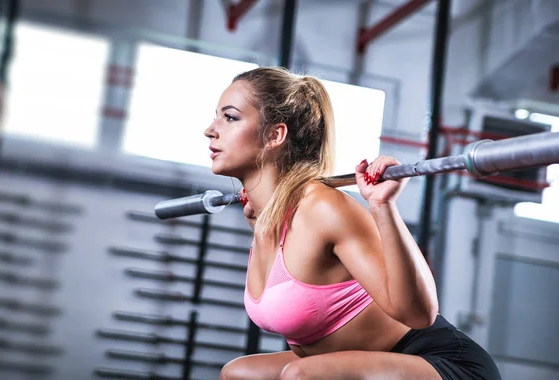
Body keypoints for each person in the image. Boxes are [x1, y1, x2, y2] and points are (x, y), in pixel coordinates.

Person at [204, 67, 501, 380]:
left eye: (230, 117)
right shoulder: (268, 219)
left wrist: (382, 207)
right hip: (358, 364)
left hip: (440, 364)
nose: (210, 130)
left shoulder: (322, 208)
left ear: (275, 135)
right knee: (238, 374)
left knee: (300, 376)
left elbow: (420, 315)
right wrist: (260, 221)